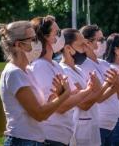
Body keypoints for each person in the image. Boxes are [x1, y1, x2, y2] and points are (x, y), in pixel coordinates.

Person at [0, 21, 70, 146]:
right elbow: (39, 114)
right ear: (18, 44)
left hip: (33, 140)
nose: (38, 42)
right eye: (33, 39)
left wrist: (57, 95)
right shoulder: (14, 73)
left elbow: (43, 110)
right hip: (21, 141)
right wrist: (65, 95)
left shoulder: (26, 71)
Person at [59, 28, 118, 146]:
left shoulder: (78, 69)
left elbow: (93, 96)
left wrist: (109, 85)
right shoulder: (64, 71)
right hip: (80, 131)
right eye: (81, 45)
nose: (86, 48)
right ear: (68, 48)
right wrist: (106, 84)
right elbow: (84, 104)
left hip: (92, 127)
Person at [30, 15, 82, 146]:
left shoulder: (55, 64)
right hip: (50, 138)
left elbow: (72, 94)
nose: (61, 36)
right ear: (45, 37)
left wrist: (68, 94)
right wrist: (91, 89)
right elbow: (60, 106)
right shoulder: (40, 66)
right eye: (57, 33)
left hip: (62, 138)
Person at [78, 25, 119, 146]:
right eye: (100, 40)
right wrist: (112, 84)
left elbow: (118, 94)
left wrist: (118, 84)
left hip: (112, 123)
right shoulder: (83, 66)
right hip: (99, 124)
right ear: (87, 42)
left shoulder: (105, 64)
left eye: (104, 39)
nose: (104, 43)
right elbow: (98, 98)